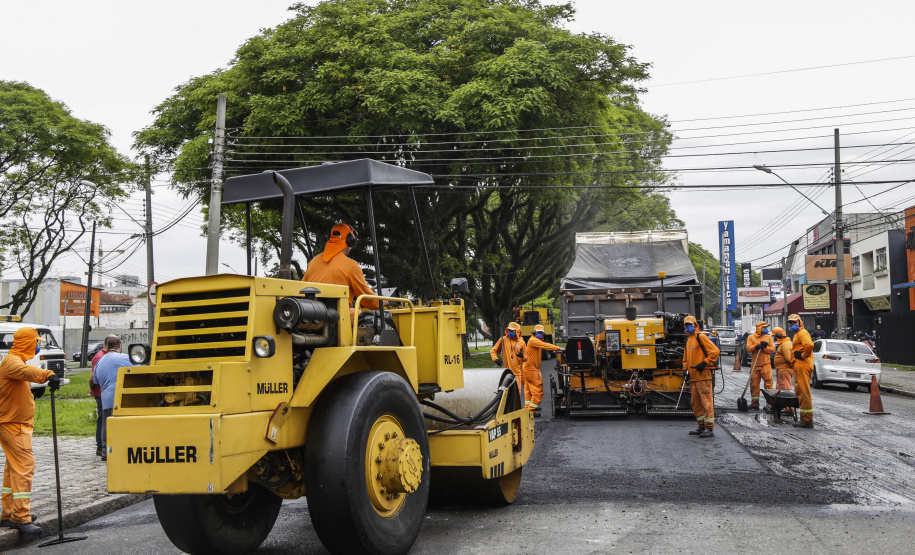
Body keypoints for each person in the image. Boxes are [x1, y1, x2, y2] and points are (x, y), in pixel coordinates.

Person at [0, 327, 60, 534]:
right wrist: (48, 375)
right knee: (24, 467)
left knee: (13, 470)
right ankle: (21, 517)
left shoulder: (14, 361)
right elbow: (28, 373)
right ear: (27, 343)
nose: (38, 346)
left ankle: (9, 513)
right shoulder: (12, 363)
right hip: (13, 426)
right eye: (36, 342)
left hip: (13, 424)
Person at [302, 222, 379, 311]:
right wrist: (381, 301)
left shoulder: (312, 262)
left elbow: (302, 290)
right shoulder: (351, 266)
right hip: (338, 318)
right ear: (350, 241)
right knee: (362, 314)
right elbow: (367, 300)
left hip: (313, 315)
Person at [94, 335, 136, 461]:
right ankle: (123, 452)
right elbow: (140, 369)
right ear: (120, 346)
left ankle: (106, 453)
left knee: (106, 426)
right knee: (121, 427)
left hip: (105, 398)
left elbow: (95, 379)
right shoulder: (124, 358)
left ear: (106, 347)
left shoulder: (100, 361)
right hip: (120, 399)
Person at [682, 316, 720, 438]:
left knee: (706, 402)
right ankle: (701, 426)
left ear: (695, 325)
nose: (688, 326)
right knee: (696, 403)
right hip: (693, 378)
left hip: (703, 377)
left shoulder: (701, 337)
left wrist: (705, 363)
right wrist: (685, 370)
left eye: (690, 324)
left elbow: (715, 351)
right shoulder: (688, 340)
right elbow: (686, 359)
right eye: (686, 324)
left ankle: (709, 428)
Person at [521, 324, 562, 416]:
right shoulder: (534, 340)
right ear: (534, 333)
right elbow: (545, 345)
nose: (540, 334)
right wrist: (558, 348)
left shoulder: (533, 340)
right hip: (531, 370)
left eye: (541, 333)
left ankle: (528, 410)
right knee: (538, 391)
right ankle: (530, 413)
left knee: (529, 391)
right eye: (539, 332)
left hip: (528, 369)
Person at [89, 335, 117, 458]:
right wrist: (92, 388)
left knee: (103, 419)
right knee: (102, 420)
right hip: (100, 392)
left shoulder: (103, 356)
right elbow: (93, 377)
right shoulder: (100, 357)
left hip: (102, 392)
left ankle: (103, 447)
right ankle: (101, 447)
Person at [787, 314, 815, 428]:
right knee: (801, 391)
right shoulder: (797, 334)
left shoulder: (802, 333)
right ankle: (805, 419)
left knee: (803, 392)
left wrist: (803, 355)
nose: (793, 324)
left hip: (803, 364)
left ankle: (807, 420)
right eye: (791, 323)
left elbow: (809, 344)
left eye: (795, 322)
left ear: (799, 322)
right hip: (800, 365)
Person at [745, 321, 776, 411]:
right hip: (755, 365)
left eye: (766, 328)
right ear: (758, 328)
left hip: (766, 364)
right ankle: (755, 404)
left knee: (768, 384)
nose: (765, 329)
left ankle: (770, 404)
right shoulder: (751, 337)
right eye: (763, 328)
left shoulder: (768, 338)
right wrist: (757, 346)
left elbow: (773, 349)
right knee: (754, 385)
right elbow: (749, 348)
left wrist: (765, 348)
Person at [490, 321, 526, 386]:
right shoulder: (503, 340)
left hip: (517, 372)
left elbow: (527, 357)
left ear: (517, 331)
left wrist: (522, 356)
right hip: (505, 371)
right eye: (509, 330)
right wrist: (495, 359)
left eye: (512, 331)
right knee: (506, 392)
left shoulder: (522, 342)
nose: (510, 332)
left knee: (517, 392)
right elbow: (493, 351)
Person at [772, 327, 796, 418]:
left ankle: (789, 408)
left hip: (784, 370)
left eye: (774, 336)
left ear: (778, 335)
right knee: (780, 388)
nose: (774, 338)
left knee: (786, 388)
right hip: (782, 370)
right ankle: (780, 405)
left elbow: (789, 359)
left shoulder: (785, 345)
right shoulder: (784, 343)